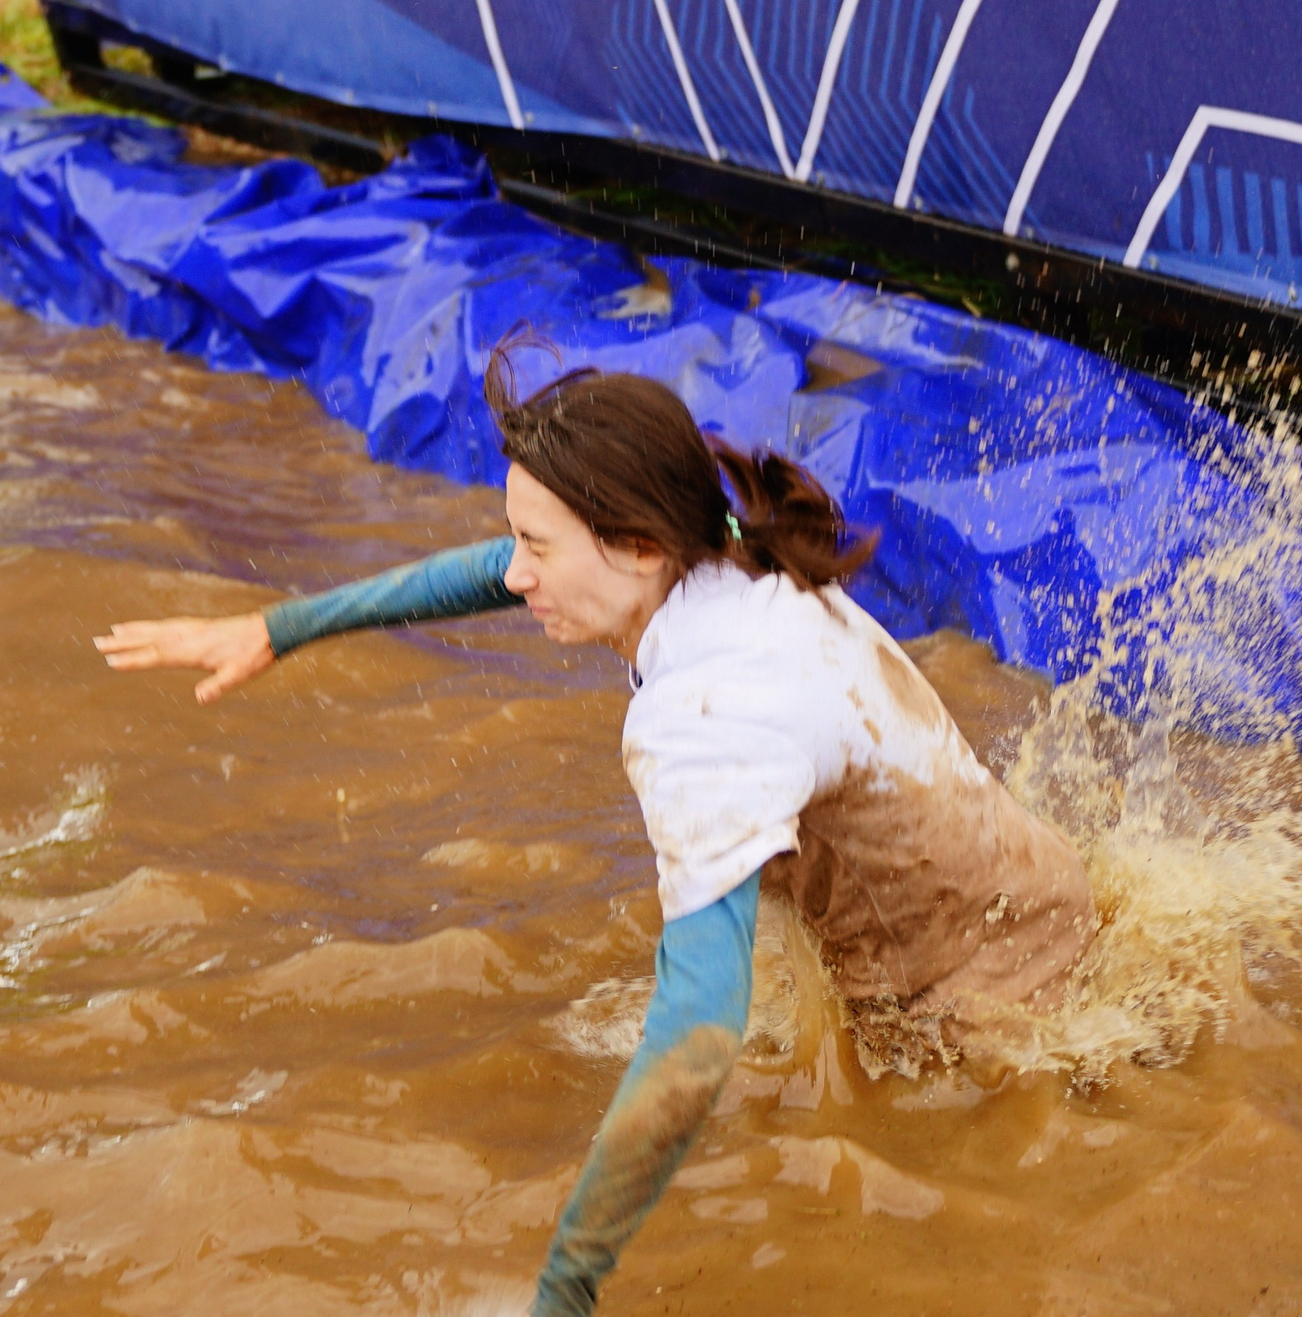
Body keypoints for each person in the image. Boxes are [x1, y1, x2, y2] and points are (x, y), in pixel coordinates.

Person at [96, 350, 1096, 1315]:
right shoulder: (735, 560)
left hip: (991, 1030)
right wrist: (280, 630)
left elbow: (698, 1039)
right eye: (517, 538)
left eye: (537, 545)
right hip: (1039, 913)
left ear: (637, 545)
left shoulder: (702, 715)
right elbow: (500, 571)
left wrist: (564, 1288)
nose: (516, 574)